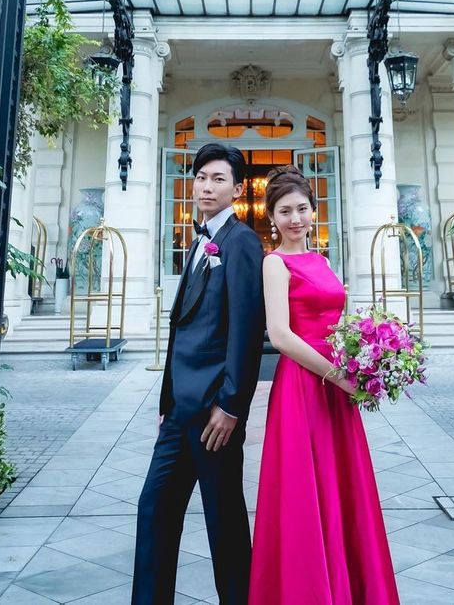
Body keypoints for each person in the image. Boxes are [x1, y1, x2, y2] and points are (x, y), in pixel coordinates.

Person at [248, 165, 401, 605]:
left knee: (342, 486)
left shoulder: (323, 260)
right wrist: (340, 377)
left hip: (338, 386)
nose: (294, 218)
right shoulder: (274, 264)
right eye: (283, 211)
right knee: (305, 490)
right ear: (271, 218)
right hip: (304, 386)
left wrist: (370, 354)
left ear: (314, 211)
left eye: (301, 209)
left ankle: (351, 588)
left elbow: (339, 324)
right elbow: (280, 336)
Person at [132, 143, 265, 605]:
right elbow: (181, 331)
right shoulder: (199, 242)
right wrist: (166, 405)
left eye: (219, 179)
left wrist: (231, 406)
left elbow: (247, 333)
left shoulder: (242, 242)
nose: (207, 186)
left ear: (238, 188)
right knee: (154, 511)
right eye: (201, 177)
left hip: (214, 417)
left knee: (224, 525)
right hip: (179, 414)